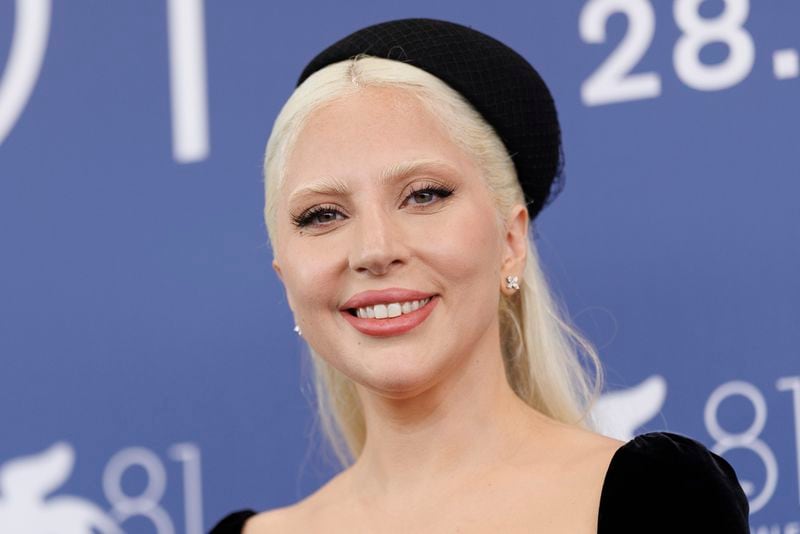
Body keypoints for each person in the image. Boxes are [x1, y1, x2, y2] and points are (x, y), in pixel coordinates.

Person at [211, 17, 750, 534]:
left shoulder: (659, 499)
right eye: (323, 215)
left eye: (424, 195)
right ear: (287, 278)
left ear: (511, 242)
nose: (374, 250)